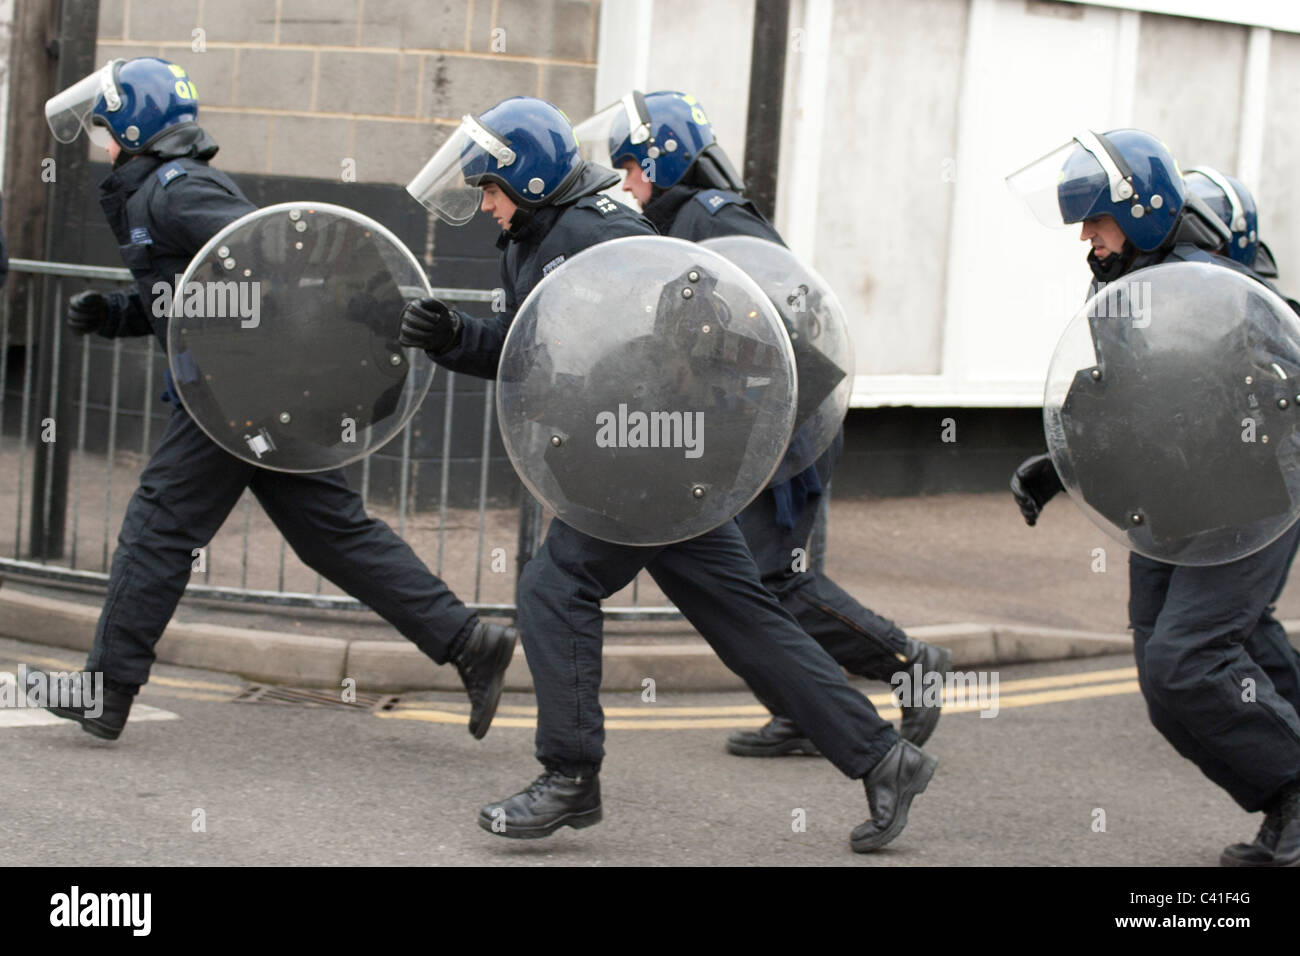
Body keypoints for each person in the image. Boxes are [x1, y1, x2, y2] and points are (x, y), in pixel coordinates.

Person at [399, 96, 937, 852]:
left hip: (645, 454)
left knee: (555, 588)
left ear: (528, 179)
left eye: (491, 188)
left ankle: (570, 775)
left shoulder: (600, 229)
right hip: (649, 454)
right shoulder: (535, 237)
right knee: (745, 620)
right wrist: (456, 337)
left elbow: (682, 335)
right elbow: (533, 354)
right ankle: (885, 758)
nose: (485, 205)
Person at [32, 56, 516, 742]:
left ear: (135, 128)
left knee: (159, 526)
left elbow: (270, 263)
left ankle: (103, 690)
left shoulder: (173, 190)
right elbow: (199, 294)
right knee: (333, 536)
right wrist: (117, 313)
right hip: (258, 392)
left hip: (237, 396)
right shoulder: (165, 190)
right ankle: (469, 642)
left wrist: (271, 376)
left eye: (109, 128)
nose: (105, 144)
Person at [576, 90, 953, 756]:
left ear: (665, 162)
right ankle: (803, 713)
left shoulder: (713, 217)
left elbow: (781, 316)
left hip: (786, 419)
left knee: (775, 577)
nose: (627, 184)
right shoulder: (684, 222)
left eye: (633, 167)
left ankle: (907, 662)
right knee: (746, 582)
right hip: (751, 418)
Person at [1007, 129, 1300, 866]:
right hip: (1173, 500)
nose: (1086, 236)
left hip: (1247, 493)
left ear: (1141, 211)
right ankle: (1285, 805)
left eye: (1098, 219)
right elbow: (1129, 400)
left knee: (1188, 660)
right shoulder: (1127, 281)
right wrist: (1061, 462)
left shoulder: (1208, 286)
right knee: (1167, 682)